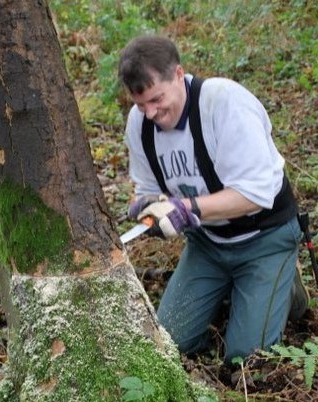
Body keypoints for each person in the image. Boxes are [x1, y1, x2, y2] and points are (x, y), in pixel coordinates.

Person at [118, 35, 309, 362]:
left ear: (178, 75)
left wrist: (188, 208)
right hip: (208, 243)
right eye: (140, 104)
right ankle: (228, 290)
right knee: (166, 345)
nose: (150, 113)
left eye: (156, 99)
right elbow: (147, 188)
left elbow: (256, 194)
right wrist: (146, 207)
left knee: (246, 360)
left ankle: (285, 286)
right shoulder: (141, 124)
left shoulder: (224, 103)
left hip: (264, 238)